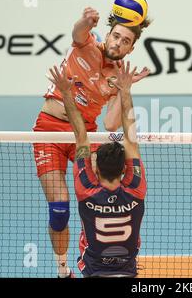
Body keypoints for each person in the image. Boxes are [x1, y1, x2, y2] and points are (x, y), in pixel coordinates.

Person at [33, 6, 151, 277]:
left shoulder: (118, 74)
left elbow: (111, 124)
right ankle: (63, 270)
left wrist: (124, 90)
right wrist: (85, 21)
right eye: (116, 36)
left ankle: (96, 255)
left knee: (108, 190)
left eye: (126, 42)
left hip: (84, 134)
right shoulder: (87, 45)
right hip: (48, 131)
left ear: (130, 49)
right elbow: (78, 32)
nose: (118, 43)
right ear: (107, 35)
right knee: (60, 208)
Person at [47, 60, 146, 277]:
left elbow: (81, 137)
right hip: (127, 271)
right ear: (123, 171)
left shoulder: (86, 189)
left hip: (94, 271)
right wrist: (126, 91)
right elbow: (131, 139)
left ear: (96, 170)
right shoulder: (136, 187)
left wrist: (65, 93)